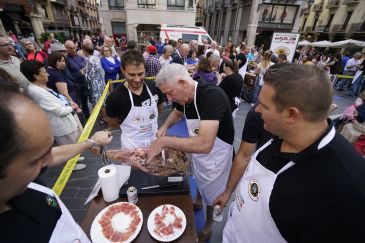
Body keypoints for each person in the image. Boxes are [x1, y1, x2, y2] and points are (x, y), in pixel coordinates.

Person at [219, 63, 365, 242]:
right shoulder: (280, 133)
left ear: (291, 115)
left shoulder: (350, 189)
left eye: (264, 105)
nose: (256, 109)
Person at [0, 87, 116, 243]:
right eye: (37, 159)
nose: (49, 160)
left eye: (48, 149)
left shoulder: (18, 179)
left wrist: (92, 142)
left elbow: (54, 155)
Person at [147, 63, 234, 241]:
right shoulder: (185, 97)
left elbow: (204, 144)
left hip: (216, 158)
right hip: (200, 156)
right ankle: (196, 202)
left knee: (213, 197)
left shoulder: (211, 96)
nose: (169, 98)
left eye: (170, 93)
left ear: (182, 83)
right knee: (200, 179)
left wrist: (164, 141)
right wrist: (164, 126)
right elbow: (177, 114)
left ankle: (208, 226)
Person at [105, 50, 165, 149]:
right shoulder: (115, 97)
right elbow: (113, 124)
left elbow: (160, 109)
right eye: (132, 75)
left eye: (141, 74)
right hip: (131, 145)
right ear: (123, 70)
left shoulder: (154, 87)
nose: (137, 79)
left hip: (154, 140)